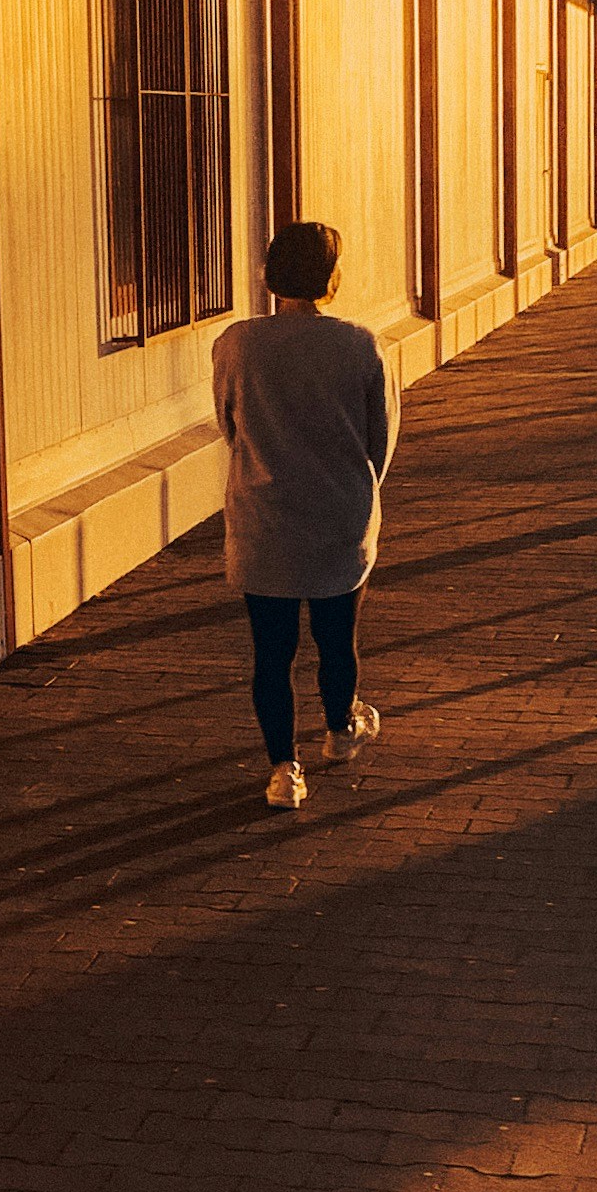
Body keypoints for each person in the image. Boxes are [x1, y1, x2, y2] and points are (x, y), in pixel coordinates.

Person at [211, 221, 398, 810]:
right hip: (339, 517)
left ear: (270, 276)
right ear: (330, 277)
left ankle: (282, 770)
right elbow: (381, 441)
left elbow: (228, 425)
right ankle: (340, 732)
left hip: (262, 519)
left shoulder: (236, 343)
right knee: (336, 638)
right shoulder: (361, 344)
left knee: (272, 653)